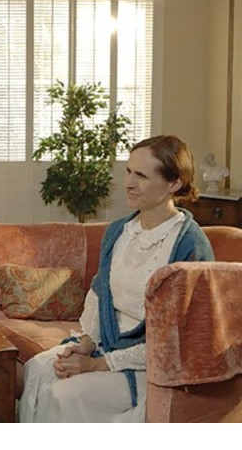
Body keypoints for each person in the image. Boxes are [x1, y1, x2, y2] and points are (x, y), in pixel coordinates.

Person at [19, 134, 214, 423]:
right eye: (128, 171)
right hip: (104, 345)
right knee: (38, 368)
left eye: (142, 176)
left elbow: (179, 340)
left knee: (65, 394)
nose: (129, 183)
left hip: (149, 365)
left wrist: (96, 365)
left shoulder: (189, 245)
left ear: (174, 184)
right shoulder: (119, 231)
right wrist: (87, 344)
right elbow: (100, 295)